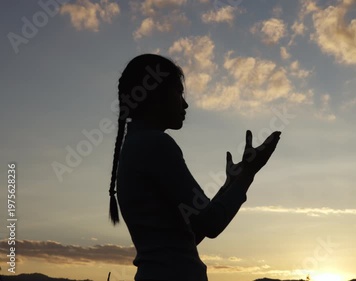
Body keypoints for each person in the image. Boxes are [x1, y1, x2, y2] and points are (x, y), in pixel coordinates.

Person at [107, 54, 281, 281]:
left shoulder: (134, 147)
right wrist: (249, 173)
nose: (185, 103)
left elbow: (191, 233)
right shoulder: (156, 145)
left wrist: (230, 185)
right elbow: (211, 224)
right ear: (156, 94)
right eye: (179, 92)